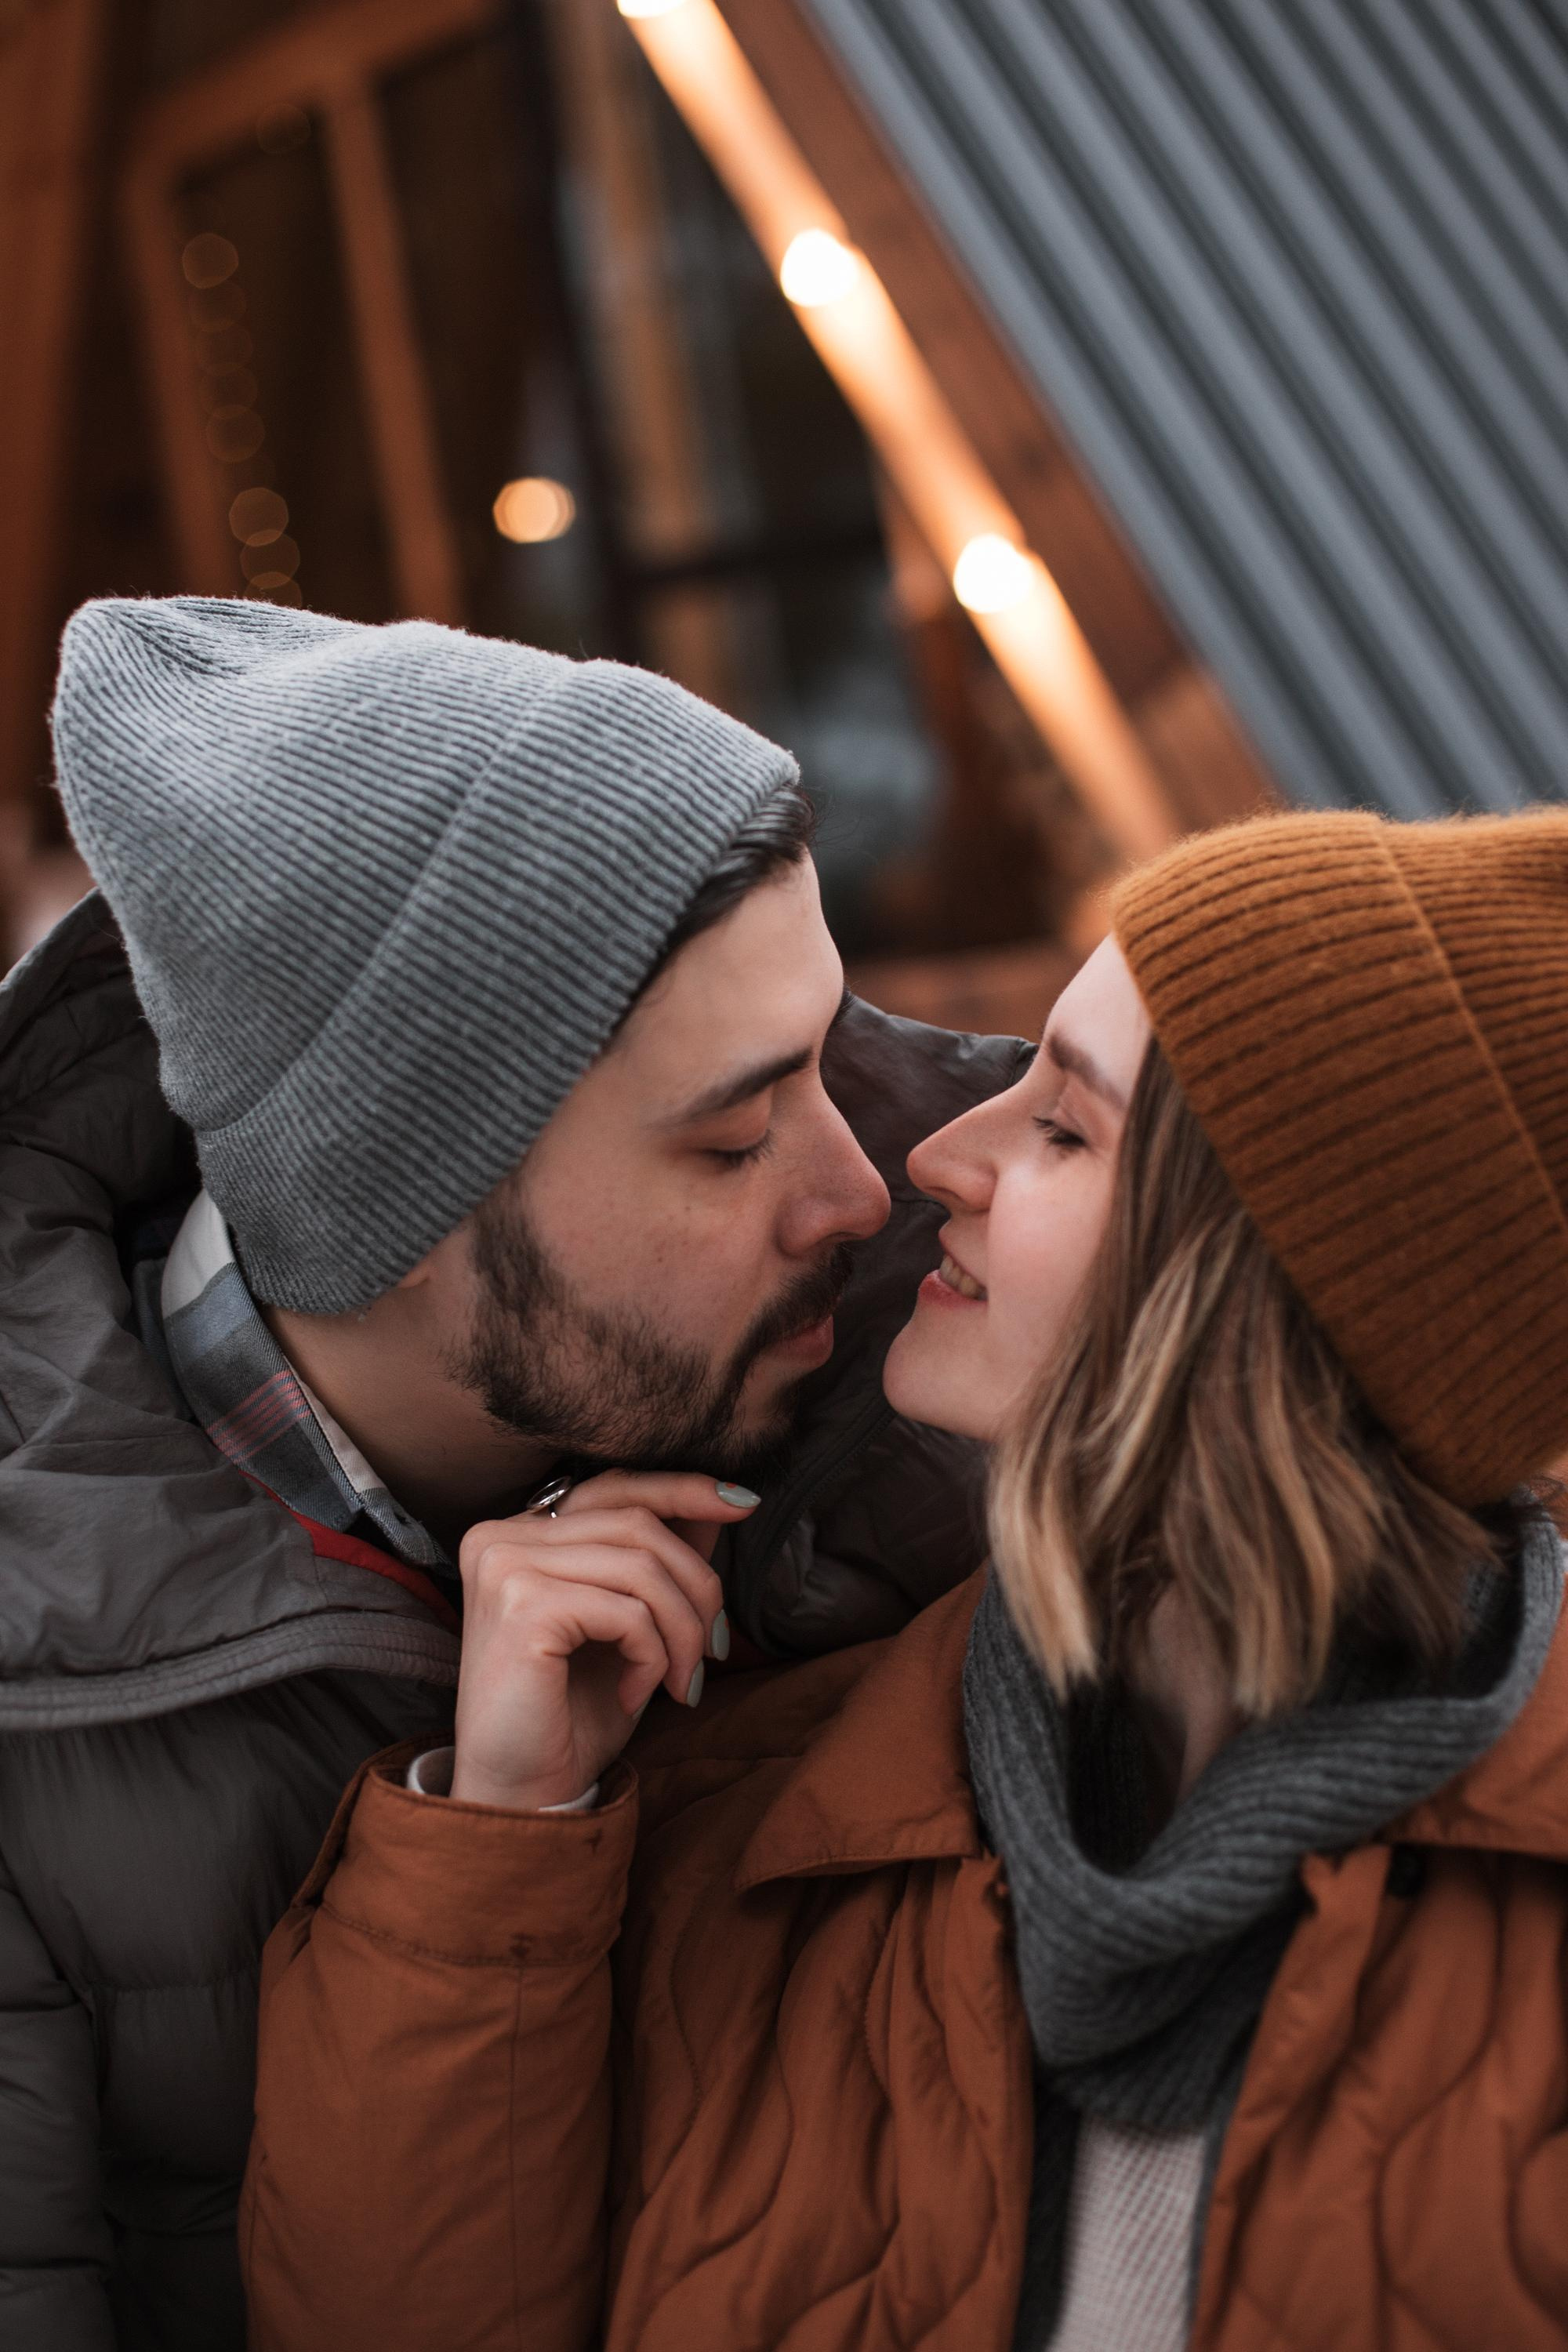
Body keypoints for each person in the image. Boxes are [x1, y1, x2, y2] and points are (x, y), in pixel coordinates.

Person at [245, 806, 1568, 2352]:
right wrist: (500, 1843)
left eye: (1065, 1128)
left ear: (1269, 1306)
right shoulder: (725, 1827)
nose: (933, 1158)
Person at [0, 596, 1023, 2351]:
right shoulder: (36, 1746)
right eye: (728, 1137)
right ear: (387, 1222)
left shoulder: (976, 1333)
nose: (864, 1192)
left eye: (827, 1051)